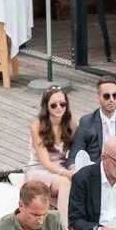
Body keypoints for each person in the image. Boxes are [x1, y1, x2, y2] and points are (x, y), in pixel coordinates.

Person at [28, 85, 79, 216]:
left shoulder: (71, 124)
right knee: (65, 183)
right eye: (54, 105)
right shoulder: (37, 126)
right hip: (39, 169)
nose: (59, 108)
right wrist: (65, 173)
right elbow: (45, 162)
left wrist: (72, 168)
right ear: (46, 107)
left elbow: (76, 151)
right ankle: (63, 226)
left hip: (61, 168)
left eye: (62, 104)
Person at [74, 77, 116, 165]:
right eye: (106, 96)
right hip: (96, 169)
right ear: (98, 97)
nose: (112, 99)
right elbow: (74, 155)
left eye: (115, 95)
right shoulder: (86, 122)